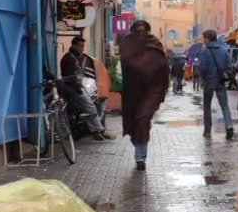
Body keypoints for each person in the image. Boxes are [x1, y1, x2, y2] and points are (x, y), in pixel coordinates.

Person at [120, 20, 169, 171]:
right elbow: (124, 63)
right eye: (138, 29)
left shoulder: (155, 42)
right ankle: (138, 147)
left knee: (143, 119)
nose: (141, 31)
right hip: (132, 90)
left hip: (152, 89)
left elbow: (163, 64)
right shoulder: (127, 43)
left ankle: (141, 157)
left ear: (147, 30)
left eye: (143, 29)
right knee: (133, 124)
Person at [60, 36, 108, 141]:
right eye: (80, 46)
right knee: (90, 108)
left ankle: (96, 130)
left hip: (75, 88)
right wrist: (79, 90)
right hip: (74, 89)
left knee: (89, 108)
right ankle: (98, 130)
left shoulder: (72, 57)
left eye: (83, 46)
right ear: (74, 45)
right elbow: (72, 77)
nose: (82, 48)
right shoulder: (70, 59)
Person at [199, 29, 235, 140]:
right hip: (220, 81)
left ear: (208, 38)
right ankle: (229, 126)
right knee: (224, 105)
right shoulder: (224, 50)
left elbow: (203, 69)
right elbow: (229, 67)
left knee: (207, 106)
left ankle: (208, 130)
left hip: (209, 82)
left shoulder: (204, 51)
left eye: (204, 38)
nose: (203, 40)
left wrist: (204, 80)